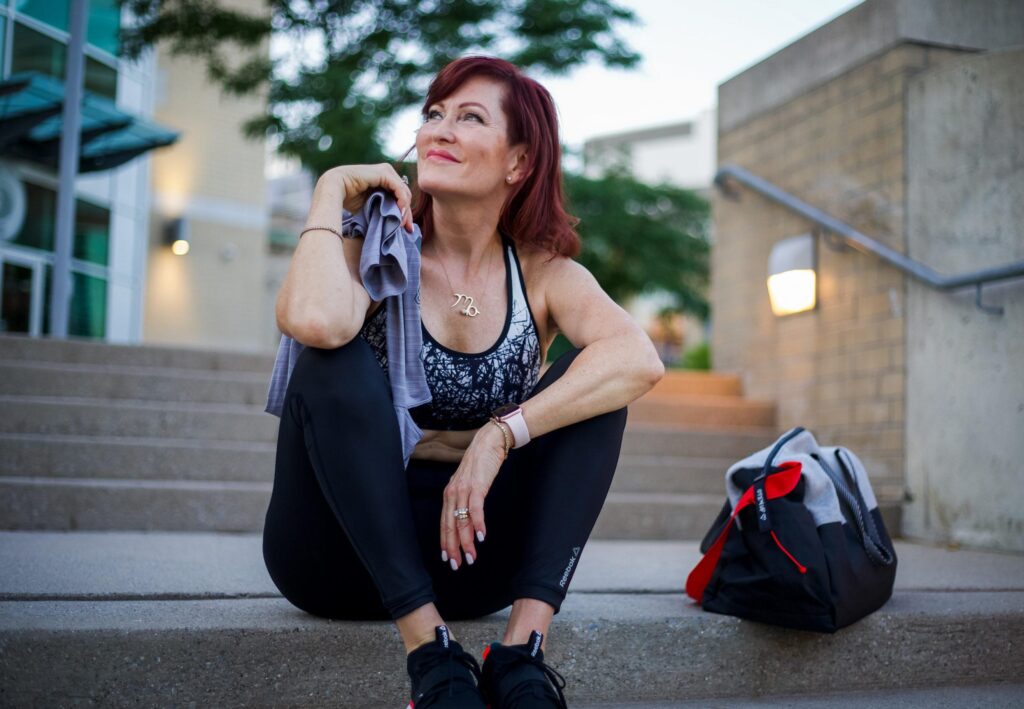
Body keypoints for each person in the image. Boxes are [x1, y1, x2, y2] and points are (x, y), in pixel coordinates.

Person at [263, 55, 665, 709]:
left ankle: (521, 653)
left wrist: (499, 435)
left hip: (471, 559)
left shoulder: (541, 273)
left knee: (597, 388)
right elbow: (311, 319)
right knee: (329, 356)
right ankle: (431, 656)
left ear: (518, 163)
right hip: (335, 556)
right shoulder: (374, 246)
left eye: (469, 117)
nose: (439, 130)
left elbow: (638, 357)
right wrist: (331, 190)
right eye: (433, 115)